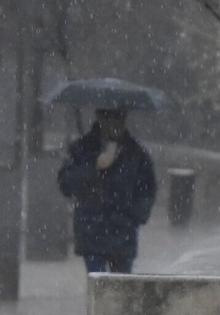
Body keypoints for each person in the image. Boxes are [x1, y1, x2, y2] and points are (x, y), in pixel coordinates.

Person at [57, 107, 157, 274]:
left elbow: (147, 189)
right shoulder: (82, 148)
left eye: (118, 117)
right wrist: (93, 167)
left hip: (123, 234)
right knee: (99, 287)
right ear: (99, 118)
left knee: (121, 289)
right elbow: (66, 184)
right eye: (107, 117)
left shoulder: (136, 153)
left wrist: (134, 215)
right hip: (91, 232)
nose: (113, 123)